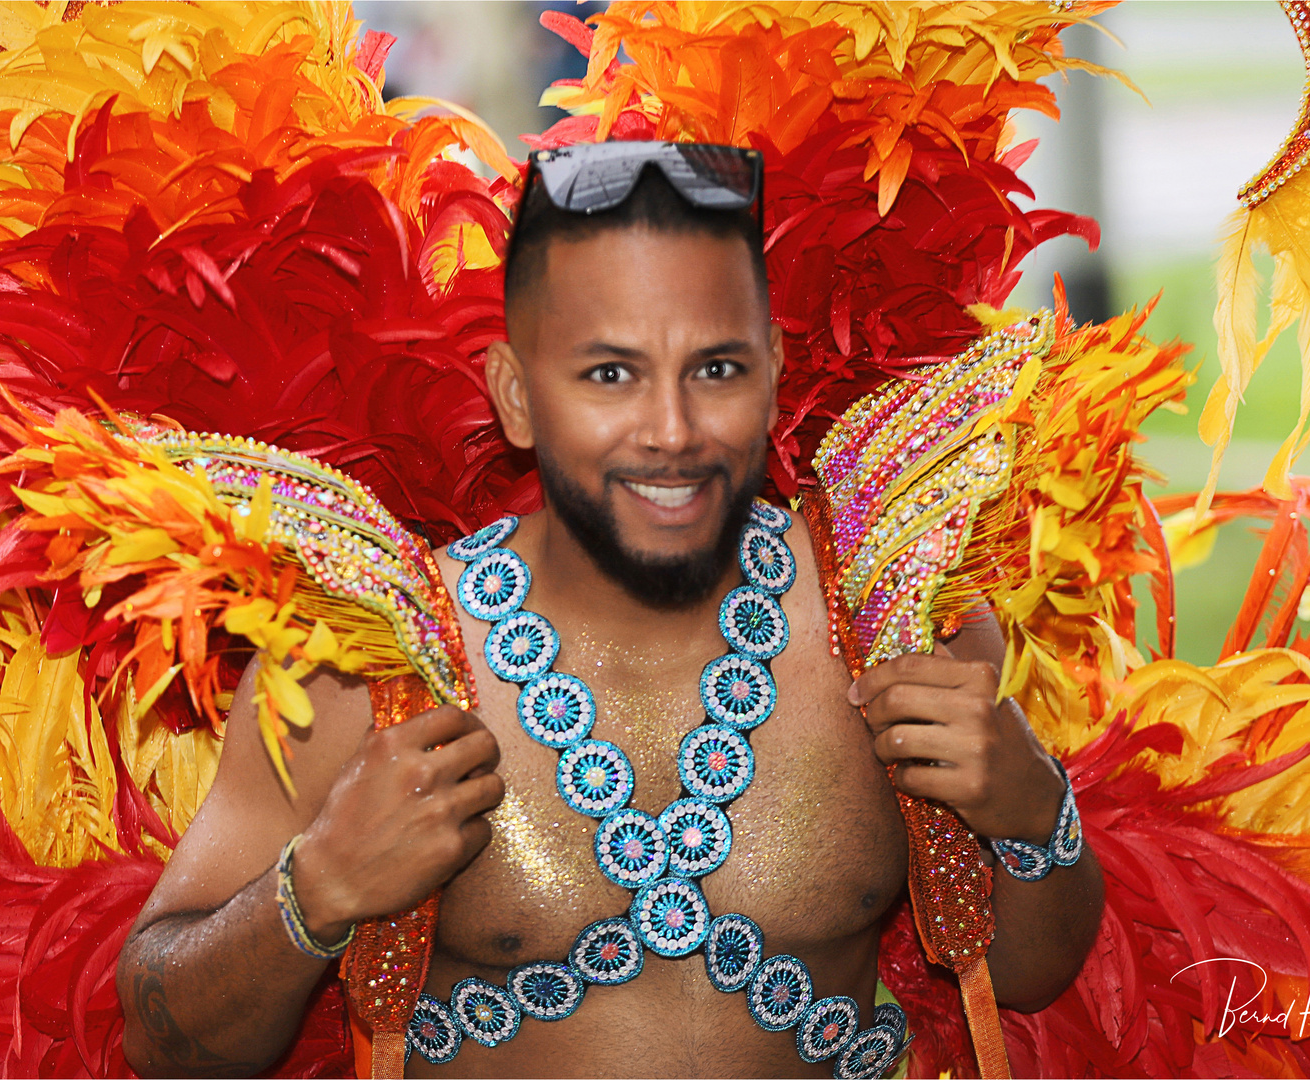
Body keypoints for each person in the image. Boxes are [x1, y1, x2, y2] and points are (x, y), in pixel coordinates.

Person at [115, 146, 1104, 1078]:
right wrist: (316, 889)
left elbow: (1029, 975)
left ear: (768, 376)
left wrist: (1031, 808)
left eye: (714, 369)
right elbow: (166, 1038)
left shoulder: (895, 619)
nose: (671, 432)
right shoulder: (365, 663)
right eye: (609, 374)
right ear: (514, 396)